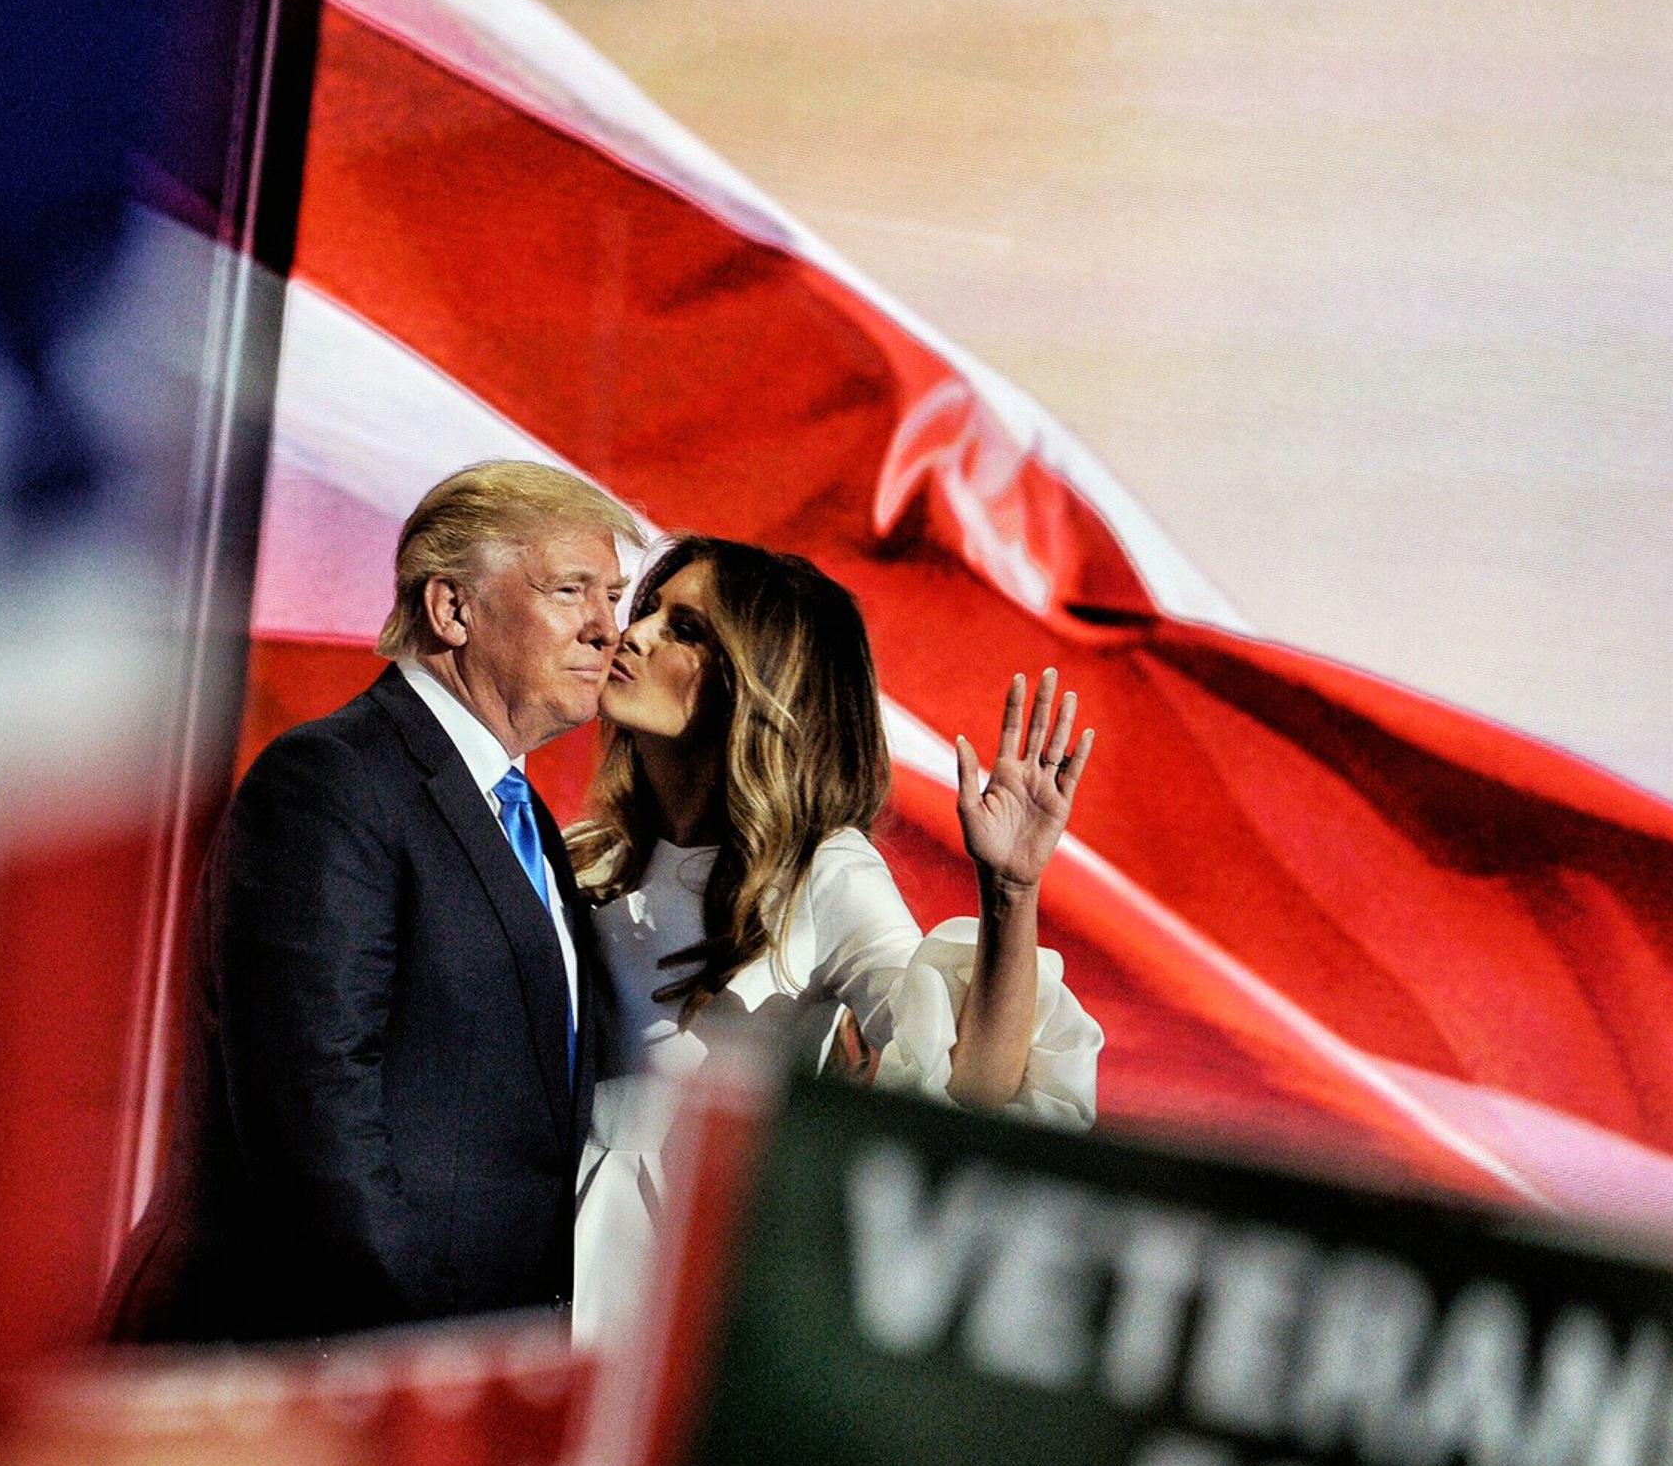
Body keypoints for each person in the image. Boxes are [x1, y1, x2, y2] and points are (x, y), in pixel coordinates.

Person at [123, 461, 643, 1343]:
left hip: (454, 1368)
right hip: (314, 1363)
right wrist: (423, 1349)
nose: (607, 629)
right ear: (452, 610)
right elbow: (316, 1116)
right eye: (571, 590)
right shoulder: (332, 781)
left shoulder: (529, 826)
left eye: (615, 596)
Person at [568, 537, 1100, 1339]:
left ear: (757, 682)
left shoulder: (824, 873)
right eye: (647, 610)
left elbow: (974, 1089)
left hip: (690, 1295)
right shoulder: (583, 856)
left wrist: (1011, 891)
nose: (634, 634)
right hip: (532, 1262)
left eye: (685, 629)